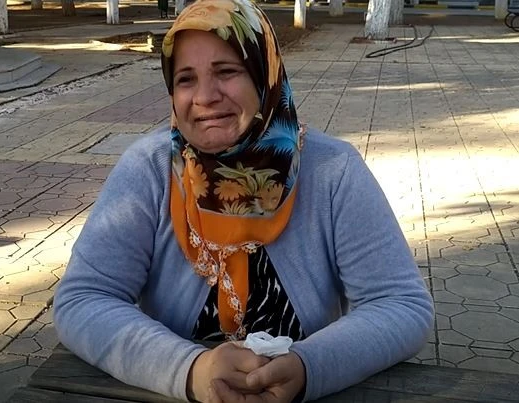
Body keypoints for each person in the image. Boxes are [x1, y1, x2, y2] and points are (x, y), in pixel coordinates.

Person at [53, 0, 434, 402]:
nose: (204, 97)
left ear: (263, 73)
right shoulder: (149, 170)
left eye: (226, 72)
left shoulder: (333, 171)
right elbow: (83, 300)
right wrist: (191, 370)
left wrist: (310, 367)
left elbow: (401, 305)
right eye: (185, 79)